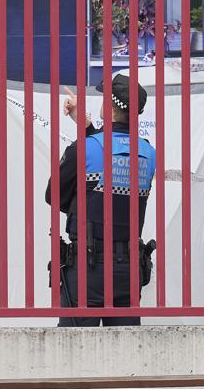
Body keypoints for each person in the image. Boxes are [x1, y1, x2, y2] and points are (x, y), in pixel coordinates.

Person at [45, 73, 158, 326]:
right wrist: (86, 128)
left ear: (108, 107)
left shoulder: (85, 149)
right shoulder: (149, 153)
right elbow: (118, 151)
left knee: (75, 354)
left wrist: (87, 134)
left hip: (87, 267)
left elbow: (53, 196)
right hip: (129, 270)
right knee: (127, 356)